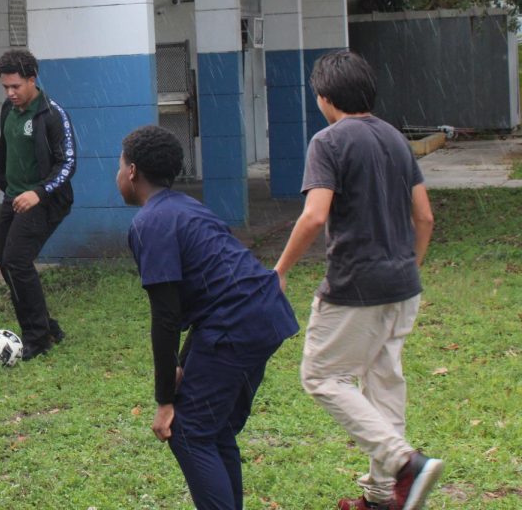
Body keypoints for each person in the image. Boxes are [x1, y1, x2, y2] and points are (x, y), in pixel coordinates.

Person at [274, 50, 442, 510]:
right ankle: (383, 496)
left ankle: (404, 463)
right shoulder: (394, 139)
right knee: (383, 381)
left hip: (355, 286)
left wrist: (280, 271)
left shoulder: (328, 142)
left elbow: (313, 217)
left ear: (325, 98)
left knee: (321, 376)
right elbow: (424, 216)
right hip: (403, 284)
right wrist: (409, 265)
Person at [117, 125, 298, 510]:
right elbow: (209, 297)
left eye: (120, 165)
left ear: (131, 171)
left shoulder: (150, 223)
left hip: (237, 322)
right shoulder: (188, 207)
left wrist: (165, 399)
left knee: (188, 432)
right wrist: (183, 366)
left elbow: (166, 317)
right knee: (215, 430)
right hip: (264, 314)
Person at [0, 48, 75, 360]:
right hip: (14, 195)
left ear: (32, 79)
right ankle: (47, 326)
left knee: (17, 261)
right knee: (5, 262)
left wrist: (40, 192)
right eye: (6, 87)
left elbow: (67, 164)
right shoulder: (9, 109)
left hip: (45, 200)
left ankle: (38, 338)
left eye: (16, 86)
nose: (10, 93)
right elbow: (8, 150)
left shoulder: (52, 115)